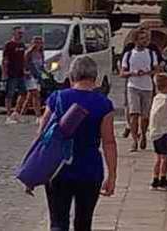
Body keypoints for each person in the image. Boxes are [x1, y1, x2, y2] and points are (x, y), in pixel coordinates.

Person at [33, 54, 117, 231]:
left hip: (59, 168)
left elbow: (42, 134)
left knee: (58, 222)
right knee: (84, 223)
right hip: (90, 169)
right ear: (95, 78)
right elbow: (109, 142)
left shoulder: (57, 98)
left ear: (72, 77)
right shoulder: (104, 104)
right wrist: (112, 175)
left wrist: (35, 167)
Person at [121, 29, 158, 151]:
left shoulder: (151, 54)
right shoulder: (129, 55)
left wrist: (148, 72)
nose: (145, 41)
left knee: (145, 116)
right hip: (133, 86)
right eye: (142, 39)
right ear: (136, 40)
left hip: (147, 87)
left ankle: (143, 134)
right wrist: (133, 73)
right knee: (133, 114)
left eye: (146, 39)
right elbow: (122, 73)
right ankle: (134, 140)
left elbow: (156, 70)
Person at [1, 26, 29, 122]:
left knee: (23, 93)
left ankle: (16, 112)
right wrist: (4, 73)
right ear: (14, 34)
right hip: (11, 72)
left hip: (20, 72)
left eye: (21, 33)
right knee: (10, 94)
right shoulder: (9, 45)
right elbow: (5, 60)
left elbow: (24, 59)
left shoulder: (22, 45)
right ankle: (8, 115)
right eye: (18, 33)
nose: (20, 35)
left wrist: (25, 69)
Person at [20, 34, 49, 118]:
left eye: (40, 43)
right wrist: (26, 72)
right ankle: (38, 115)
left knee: (30, 96)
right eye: (36, 42)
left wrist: (47, 73)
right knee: (36, 95)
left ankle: (21, 113)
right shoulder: (29, 53)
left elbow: (41, 65)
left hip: (38, 76)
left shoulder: (41, 53)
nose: (38, 44)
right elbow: (25, 64)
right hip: (30, 76)